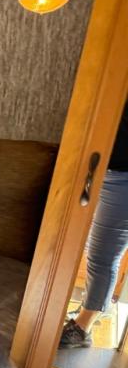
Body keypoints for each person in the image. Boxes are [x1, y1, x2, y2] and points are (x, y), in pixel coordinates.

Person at [59, 103, 128, 349]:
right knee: (92, 249)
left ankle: (83, 329)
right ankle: (86, 311)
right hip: (98, 167)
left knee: (102, 257)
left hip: (122, 178)